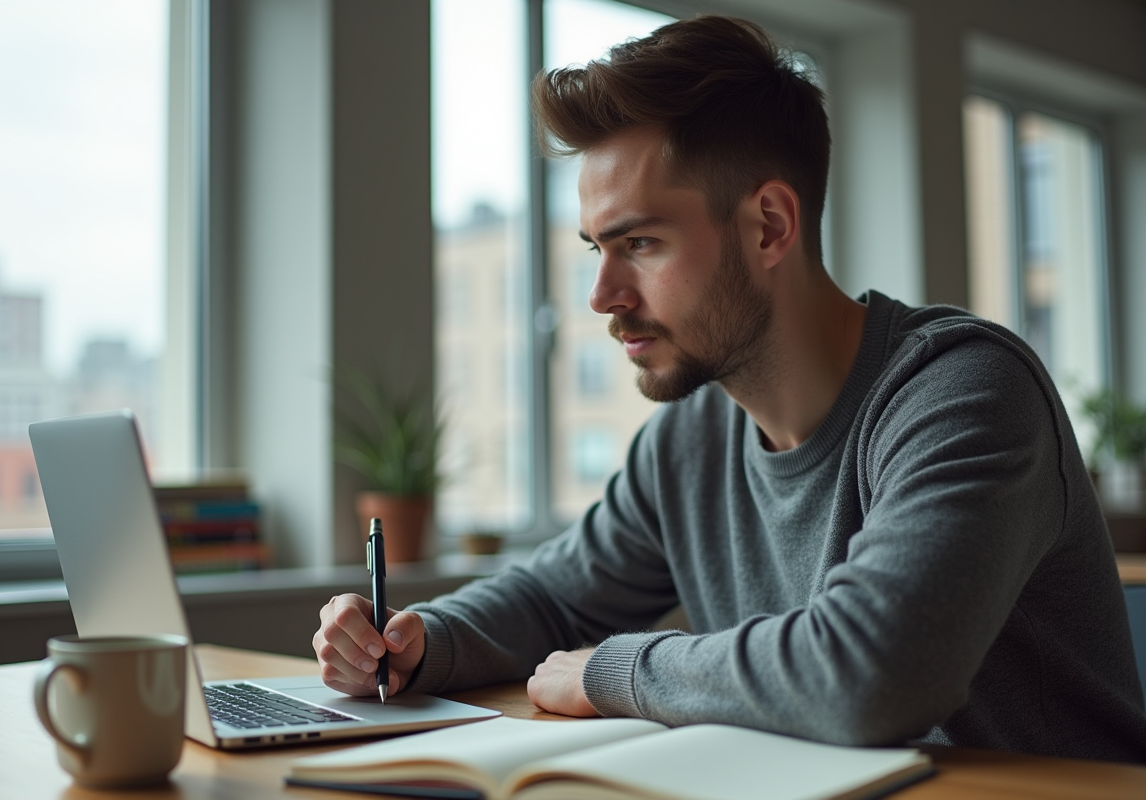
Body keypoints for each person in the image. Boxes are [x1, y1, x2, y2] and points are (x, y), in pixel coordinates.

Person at [313, 15, 1146, 762]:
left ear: (770, 226)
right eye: (594, 249)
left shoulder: (963, 392)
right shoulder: (691, 438)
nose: (600, 295)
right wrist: (419, 641)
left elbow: (871, 674)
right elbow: (554, 594)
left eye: (638, 243)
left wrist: (617, 670)